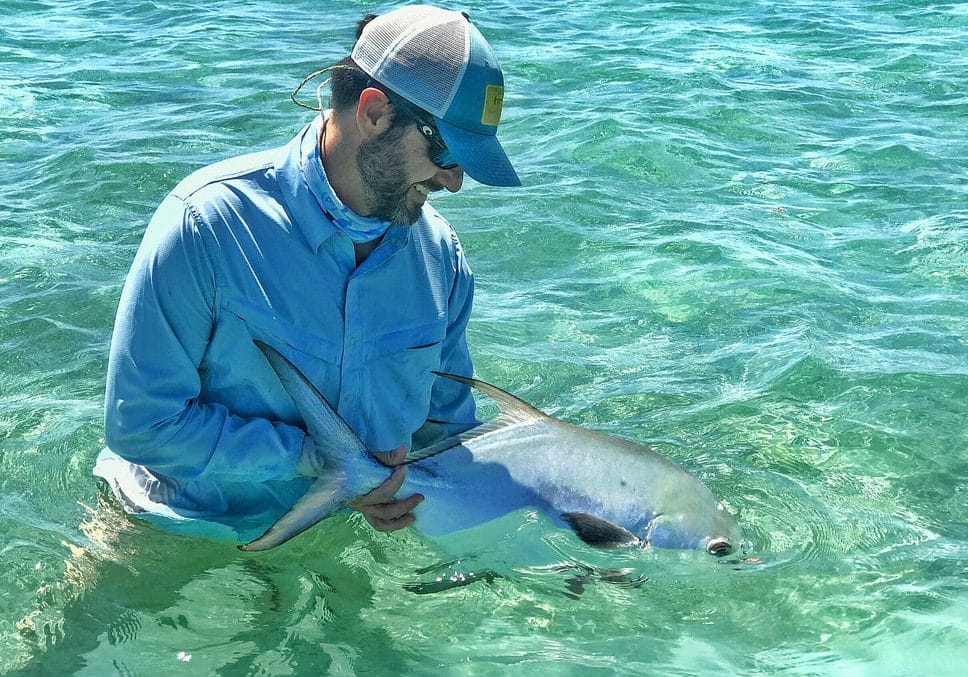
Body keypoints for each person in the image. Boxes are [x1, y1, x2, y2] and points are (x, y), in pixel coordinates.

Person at [94, 5, 520, 543]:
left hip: (333, 535)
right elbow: (141, 425)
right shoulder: (206, 224)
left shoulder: (443, 260)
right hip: (167, 527)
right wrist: (315, 460)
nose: (454, 183)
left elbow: (446, 435)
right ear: (371, 111)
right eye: (446, 152)